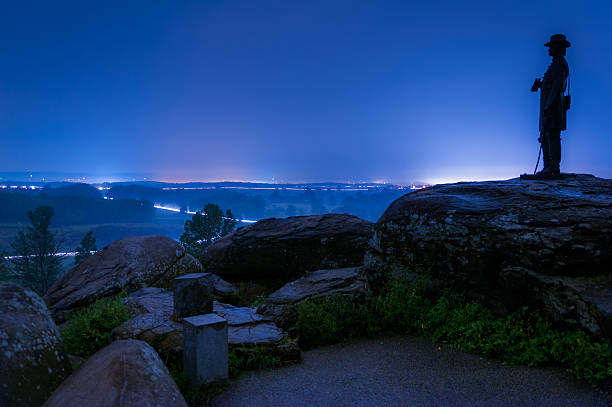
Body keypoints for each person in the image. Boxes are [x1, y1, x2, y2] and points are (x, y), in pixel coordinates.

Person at [530, 34, 570, 175]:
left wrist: (549, 104)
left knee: (552, 135)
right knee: (546, 134)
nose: (549, 50)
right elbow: (553, 84)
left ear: (558, 48)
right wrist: (541, 85)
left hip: (552, 105)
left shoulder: (559, 63)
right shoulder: (556, 63)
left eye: (551, 47)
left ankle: (553, 167)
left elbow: (558, 85)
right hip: (549, 104)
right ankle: (548, 166)